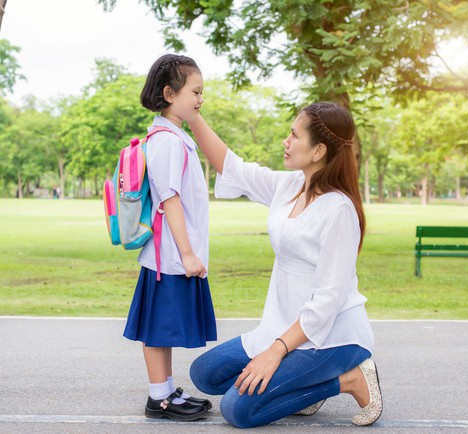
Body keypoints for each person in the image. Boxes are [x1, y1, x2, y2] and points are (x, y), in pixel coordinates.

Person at [188, 102, 381, 428]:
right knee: (206, 374)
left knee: (238, 409)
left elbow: (327, 301)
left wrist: (275, 352)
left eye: (294, 135)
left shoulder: (339, 211)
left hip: (332, 336)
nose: (285, 141)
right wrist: (191, 115)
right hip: (282, 327)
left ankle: (348, 379)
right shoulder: (290, 185)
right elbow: (233, 167)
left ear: (318, 150)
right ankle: (304, 384)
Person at [122, 54, 216, 421]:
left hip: (168, 254)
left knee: (161, 327)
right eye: (195, 91)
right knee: (158, 328)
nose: (200, 99)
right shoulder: (167, 141)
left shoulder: (172, 136)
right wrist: (188, 254)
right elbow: (170, 199)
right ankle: (158, 398)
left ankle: (165, 391)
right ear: (169, 93)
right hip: (169, 256)